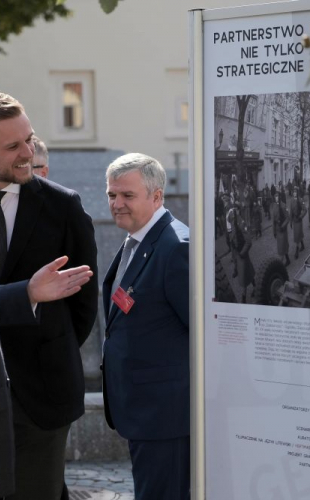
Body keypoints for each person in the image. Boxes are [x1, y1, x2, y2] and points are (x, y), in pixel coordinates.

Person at [0, 90, 98, 500]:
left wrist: (52, 349)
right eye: (13, 146)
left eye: (29, 139)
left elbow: (83, 306)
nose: (27, 152)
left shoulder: (63, 207)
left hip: (42, 395)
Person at [102, 153, 189, 500]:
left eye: (127, 196)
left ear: (156, 197)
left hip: (165, 417)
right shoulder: (137, 239)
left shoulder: (175, 247)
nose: (117, 204)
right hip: (143, 411)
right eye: (111, 195)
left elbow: (200, 335)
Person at [227, 208, 255, 303]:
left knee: (243, 276)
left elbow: (248, 241)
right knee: (248, 271)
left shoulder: (241, 224)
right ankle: (255, 285)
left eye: (232, 218)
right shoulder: (233, 225)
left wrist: (242, 253)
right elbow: (233, 241)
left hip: (242, 253)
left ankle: (243, 297)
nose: (231, 221)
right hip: (237, 255)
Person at [270, 191, 290, 266]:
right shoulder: (274, 206)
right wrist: (274, 231)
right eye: (275, 196)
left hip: (283, 229)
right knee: (281, 246)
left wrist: (283, 226)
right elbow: (273, 221)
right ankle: (288, 259)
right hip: (278, 230)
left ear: (280, 197)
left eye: (277, 196)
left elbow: (288, 218)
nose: (276, 198)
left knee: (282, 247)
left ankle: (280, 264)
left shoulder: (283, 205)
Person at [289, 186, 306, 259]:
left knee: (297, 235)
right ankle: (302, 245)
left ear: (297, 193)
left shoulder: (300, 200)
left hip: (299, 220)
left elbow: (305, 210)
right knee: (297, 234)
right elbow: (290, 212)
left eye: (296, 192)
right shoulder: (291, 200)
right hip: (294, 221)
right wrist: (290, 222)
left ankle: (297, 250)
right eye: (293, 192)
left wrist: (301, 216)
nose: (294, 193)